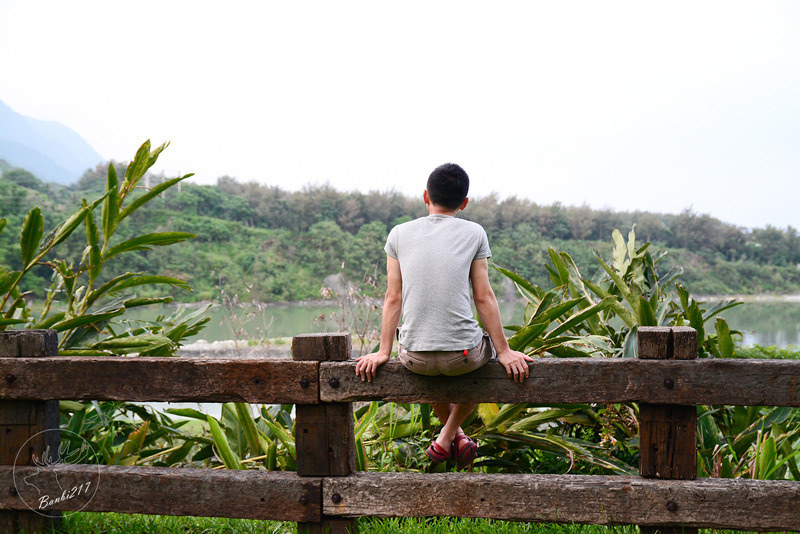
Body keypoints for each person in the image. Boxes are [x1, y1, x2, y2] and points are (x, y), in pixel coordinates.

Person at [355, 163, 533, 468]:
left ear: (426, 196)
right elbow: (483, 296)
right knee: (485, 361)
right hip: (464, 358)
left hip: (414, 359)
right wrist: (503, 351)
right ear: (464, 203)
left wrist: (383, 351)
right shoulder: (474, 232)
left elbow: (393, 297)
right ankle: (449, 435)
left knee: (430, 371)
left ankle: (453, 436)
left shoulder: (398, 234)